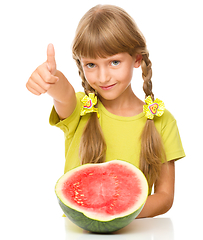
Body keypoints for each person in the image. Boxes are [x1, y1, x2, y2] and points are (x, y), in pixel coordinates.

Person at [26, 5, 185, 218]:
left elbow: (165, 196)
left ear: (137, 59)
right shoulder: (82, 108)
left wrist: (116, 214)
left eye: (114, 62)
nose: (103, 77)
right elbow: (63, 94)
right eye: (91, 64)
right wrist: (51, 79)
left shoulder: (161, 120)